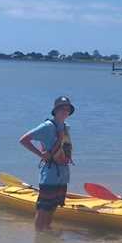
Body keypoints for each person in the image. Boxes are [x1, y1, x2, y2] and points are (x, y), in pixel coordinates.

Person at [19, 96, 75, 231]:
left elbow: (65, 146)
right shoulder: (47, 126)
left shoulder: (65, 127)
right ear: (55, 110)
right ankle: (39, 239)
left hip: (62, 174)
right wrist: (41, 154)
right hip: (50, 174)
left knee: (53, 206)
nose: (65, 111)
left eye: (67, 109)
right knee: (43, 208)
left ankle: (47, 235)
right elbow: (24, 140)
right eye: (62, 108)